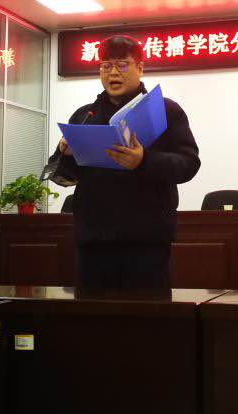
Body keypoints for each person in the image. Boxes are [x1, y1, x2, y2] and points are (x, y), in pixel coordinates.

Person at [48, 35, 200, 289]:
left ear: (140, 68)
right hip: (93, 240)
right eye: (106, 66)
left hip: (146, 241)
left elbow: (188, 164)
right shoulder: (85, 115)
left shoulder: (165, 110)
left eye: (122, 64)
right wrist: (64, 154)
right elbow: (63, 177)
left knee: (145, 311)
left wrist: (144, 160)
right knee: (92, 310)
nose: (113, 73)